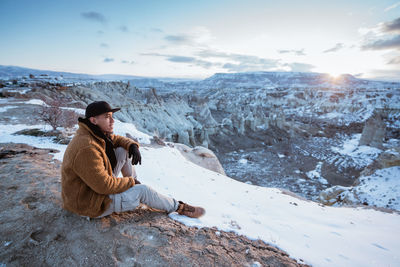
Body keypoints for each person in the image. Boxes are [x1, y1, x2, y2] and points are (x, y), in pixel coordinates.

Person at [61, 101, 205, 219]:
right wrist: (130, 182)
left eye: (112, 116)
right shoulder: (87, 147)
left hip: (91, 190)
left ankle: (134, 193)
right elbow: (103, 186)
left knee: (123, 150)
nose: (112, 121)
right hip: (90, 204)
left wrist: (132, 146)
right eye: (107, 117)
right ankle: (180, 207)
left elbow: (116, 139)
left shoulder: (94, 133)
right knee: (143, 190)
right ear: (93, 120)